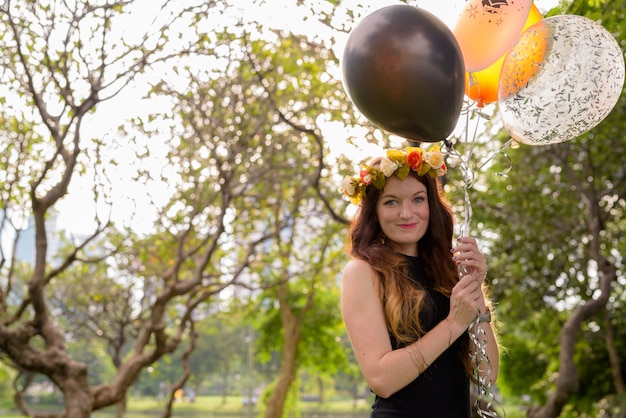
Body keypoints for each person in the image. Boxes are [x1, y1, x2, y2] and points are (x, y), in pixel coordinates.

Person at [339, 146, 499, 417]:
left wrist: (475, 291)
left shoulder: (450, 271)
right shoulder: (363, 273)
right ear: (374, 212)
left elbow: (487, 373)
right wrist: (454, 323)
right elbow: (382, 380)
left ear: (431, 204)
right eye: (391, 202)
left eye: (417, 199)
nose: (406, 213)